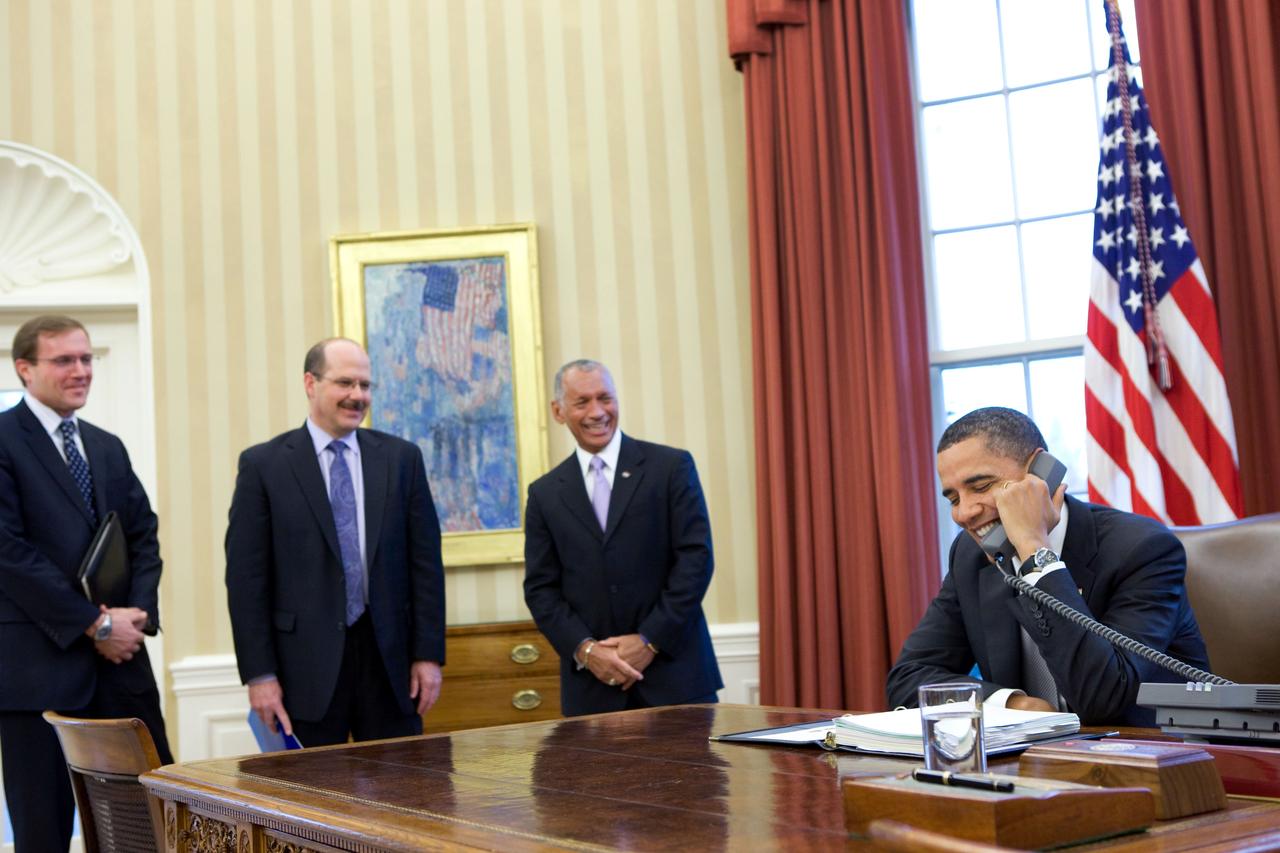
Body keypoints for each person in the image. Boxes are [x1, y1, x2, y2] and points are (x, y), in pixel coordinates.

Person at [886, 406, 1209, 727]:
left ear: (1040, 471)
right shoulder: (970, 557)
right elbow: (908, 679)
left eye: (981, 486)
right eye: (953, 499)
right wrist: (1010, 703)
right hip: (1034, 765)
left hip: (1152, 757)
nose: (964, 513)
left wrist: (1034, 549)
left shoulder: (1142, 548)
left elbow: (1102, 699)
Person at [0, 314, 173, 851]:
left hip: (121, 667)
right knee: (43, 834)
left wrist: (137, 613)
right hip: (38, 672)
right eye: (64, 360)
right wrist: (94, 623)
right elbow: (9, 554)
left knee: (148, 823)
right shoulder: (4, 441)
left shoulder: (106, 446)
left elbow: (143, 533)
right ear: (24, 368)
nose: (80, 371)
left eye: (86, 358)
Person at [225, 338, 445, 746]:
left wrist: (429, 656)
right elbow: (246, 581)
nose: (357, 396)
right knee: (308, 800)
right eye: (345, 383)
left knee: (400, 797)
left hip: (390, 667)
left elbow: (426, 566)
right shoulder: (264, 466)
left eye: (365, 385)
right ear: (310, 383)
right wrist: (260, 675)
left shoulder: (401, 460)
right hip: (301, 671)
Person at [523, 359, 722, 715]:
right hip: (593, 690)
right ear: (558, 411)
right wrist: (587, 651)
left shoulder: (671, 468)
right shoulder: (544, 494)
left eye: (605, 398)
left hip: (677, 679)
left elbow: (695, 560)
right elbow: (541, 589)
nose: (597, 412)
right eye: (582, 402)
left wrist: (650, 641)